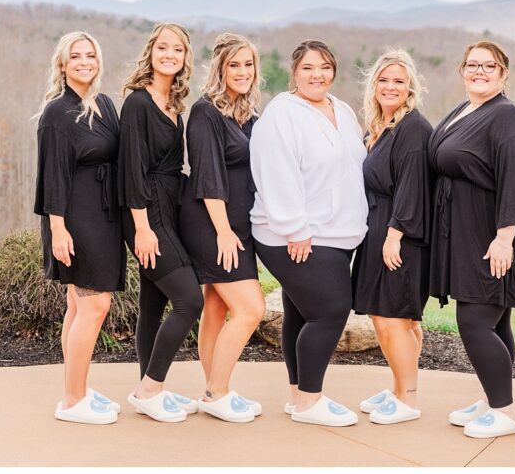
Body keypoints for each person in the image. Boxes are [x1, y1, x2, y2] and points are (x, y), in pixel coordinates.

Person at [249, 39, 368, 427]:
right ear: (294, 72)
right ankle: (310, 402)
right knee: (330, 312)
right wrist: (294, 228)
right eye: (308, 68)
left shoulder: (343, 109)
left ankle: (297, 396)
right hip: (298, 233)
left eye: (325, 67)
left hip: (338, 232)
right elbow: (276, 172)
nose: (318, 75)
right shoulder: (282, 114)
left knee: (301, 313)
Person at [429, 40, 515, 439]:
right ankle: (495, 396)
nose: (479, 71)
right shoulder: (466, 110)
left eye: (489, 66)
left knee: (474, 321)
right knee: (496, 321)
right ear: (462, 70)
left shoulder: (507, 117)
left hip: (494, 233)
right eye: (472, 65)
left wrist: (504, 238)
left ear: (504, 74)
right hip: (466, 231)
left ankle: (505, 412)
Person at [35, 32, 125, 425]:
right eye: (76, 56)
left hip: (104, 217)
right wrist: (58, 229)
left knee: (78, 304)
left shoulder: (103, 104)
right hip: (75, 219)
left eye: (91, 55)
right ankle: (73, 402)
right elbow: (52, 175)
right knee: (95, 304)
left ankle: (77, 389)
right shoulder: (57, 112)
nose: (85, 61)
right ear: (62, 64)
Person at [178, 33, 266, 423]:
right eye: (235, 65)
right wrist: (223, 232)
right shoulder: (205, 113)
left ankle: (213, 388)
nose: (243, 72)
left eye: (248, 65)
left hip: (239, 226)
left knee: (216, 307)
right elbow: (207, 178)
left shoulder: (247, 115)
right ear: (220, 69)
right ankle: (218, 392)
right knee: (251, 308)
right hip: (215, 226)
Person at [119, 22, 202, 423]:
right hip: (146, 213)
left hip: (170, 209)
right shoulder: (137, 103)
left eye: (178, 50)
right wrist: (141, 227)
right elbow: (132, 169)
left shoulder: (175, 102)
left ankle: (150, 390)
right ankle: (149, 387)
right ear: (151, 51)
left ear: (185, 57)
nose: (170, 55)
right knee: (189, 300)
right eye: (163, 47)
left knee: (152, 306)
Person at [351, 51, 433, 425]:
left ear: (410, 87)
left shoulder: (412, 128)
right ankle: (400, 387)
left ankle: (409, 399)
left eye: (399, 81)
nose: (390, 87)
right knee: (392, 317)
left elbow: (413, 186)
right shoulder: (379, 126)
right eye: (384, 80)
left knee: (393, 318)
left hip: (399, 231)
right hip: (377, 227)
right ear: (374, 85)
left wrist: (394, 235)